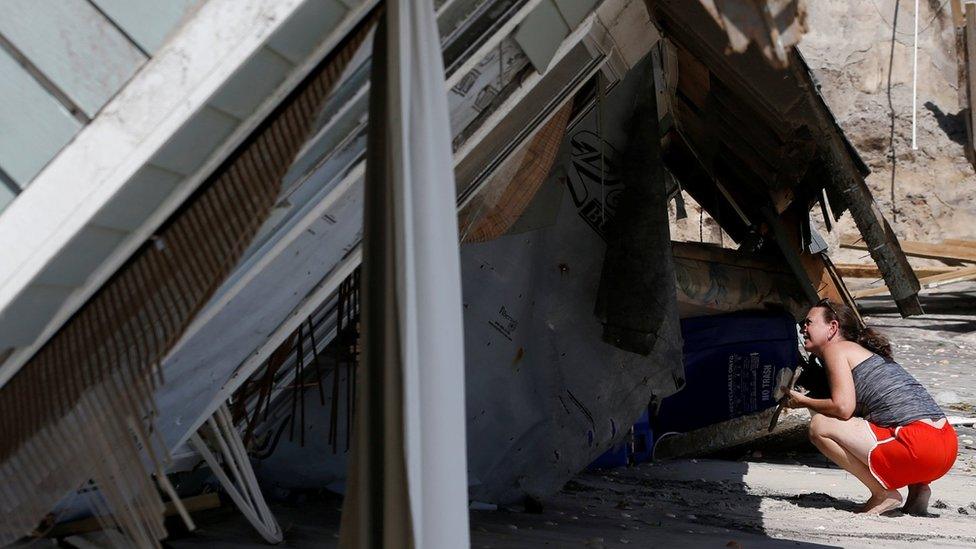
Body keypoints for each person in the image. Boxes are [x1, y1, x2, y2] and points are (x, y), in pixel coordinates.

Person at [784, 299, 958, 515]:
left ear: (833, 327)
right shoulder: (864, 354)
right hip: (946, 445)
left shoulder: (836, 350)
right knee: (883, 420)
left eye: (809, 322)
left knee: (819, 426)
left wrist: (802, 401)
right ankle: (919, 490)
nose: (803, 328)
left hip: (919, 447)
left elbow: (843, 408)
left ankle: (882, 494)